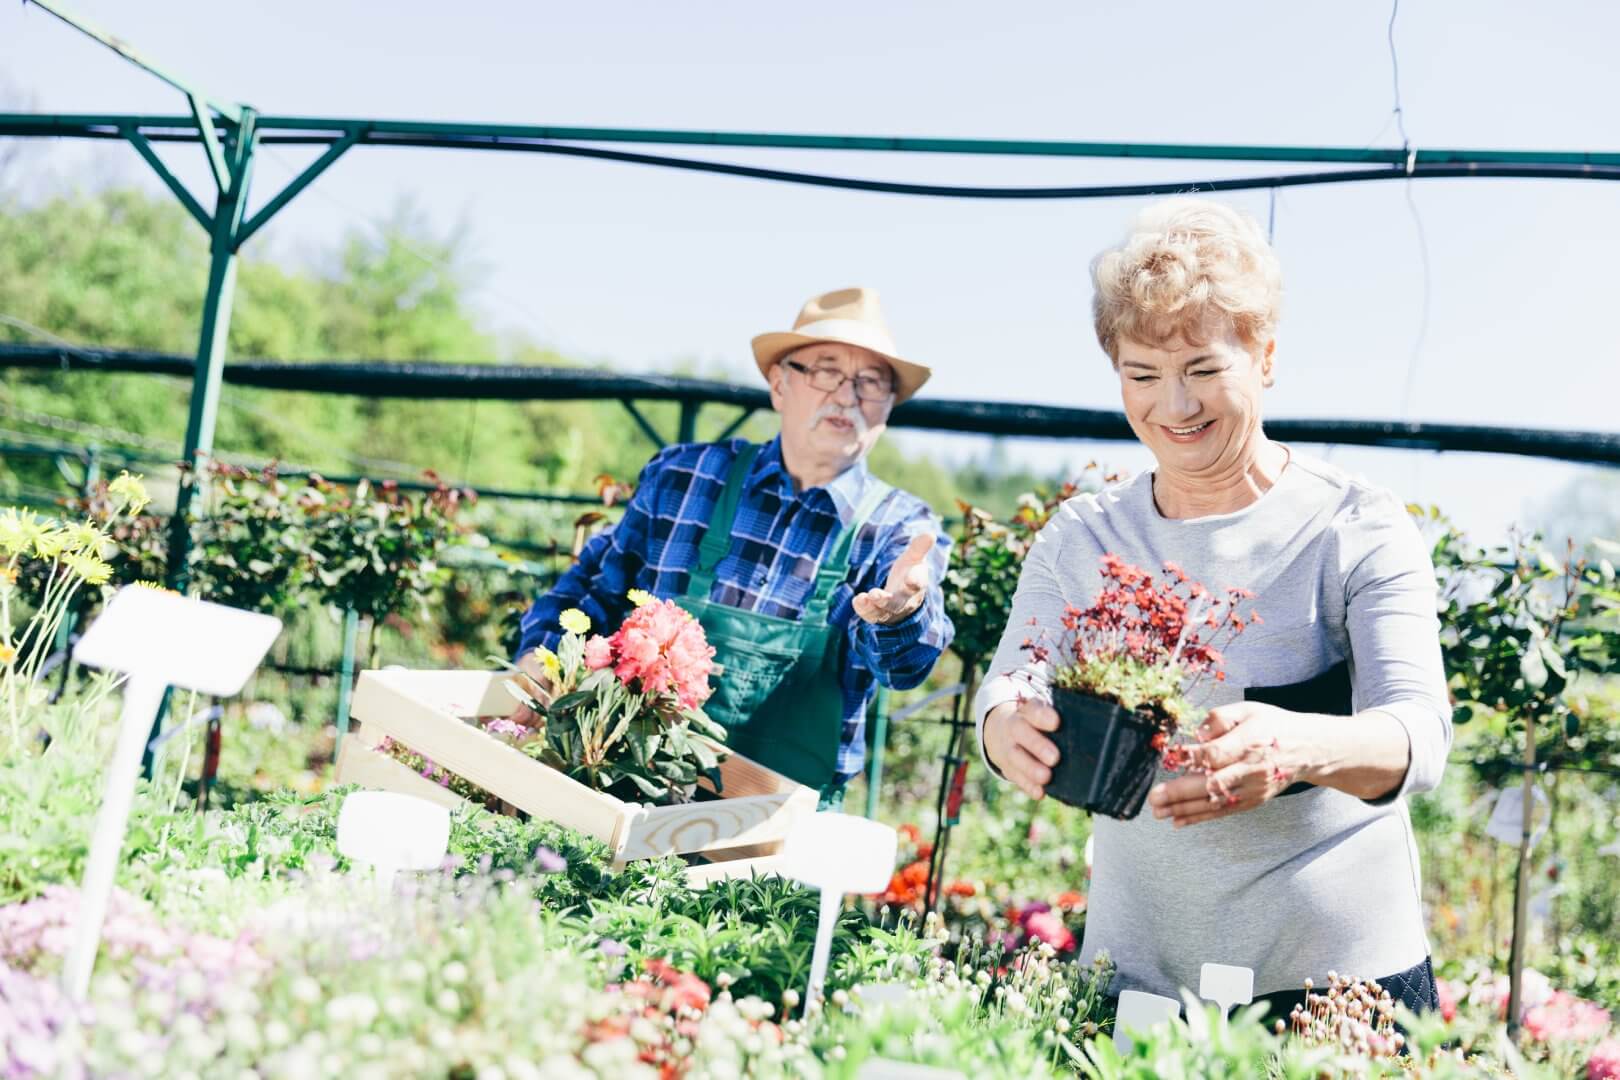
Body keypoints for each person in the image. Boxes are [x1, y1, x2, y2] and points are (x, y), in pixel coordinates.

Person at [975, 199, 1450, 1017]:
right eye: (1142, 375)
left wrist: (1298, 744)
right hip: (1139, 981)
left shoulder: (1352, 526)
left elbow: (1419, 737)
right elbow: (1006, 684)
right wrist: (1003, 729)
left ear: (1265, 358)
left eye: (1203, 369)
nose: (1174, 406)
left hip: (1337, 987)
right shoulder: (1084, 537)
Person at [518, 287, 954, 806]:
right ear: (778, 384)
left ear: (887, 408)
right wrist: (541, 659)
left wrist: (901, 614)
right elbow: (596, 590)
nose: (847, 396)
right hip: (626, 790)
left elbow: (904, 666)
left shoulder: (898, 526)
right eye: (826, 372)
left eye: (871, 383)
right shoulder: (685, 476)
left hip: (778, 830)